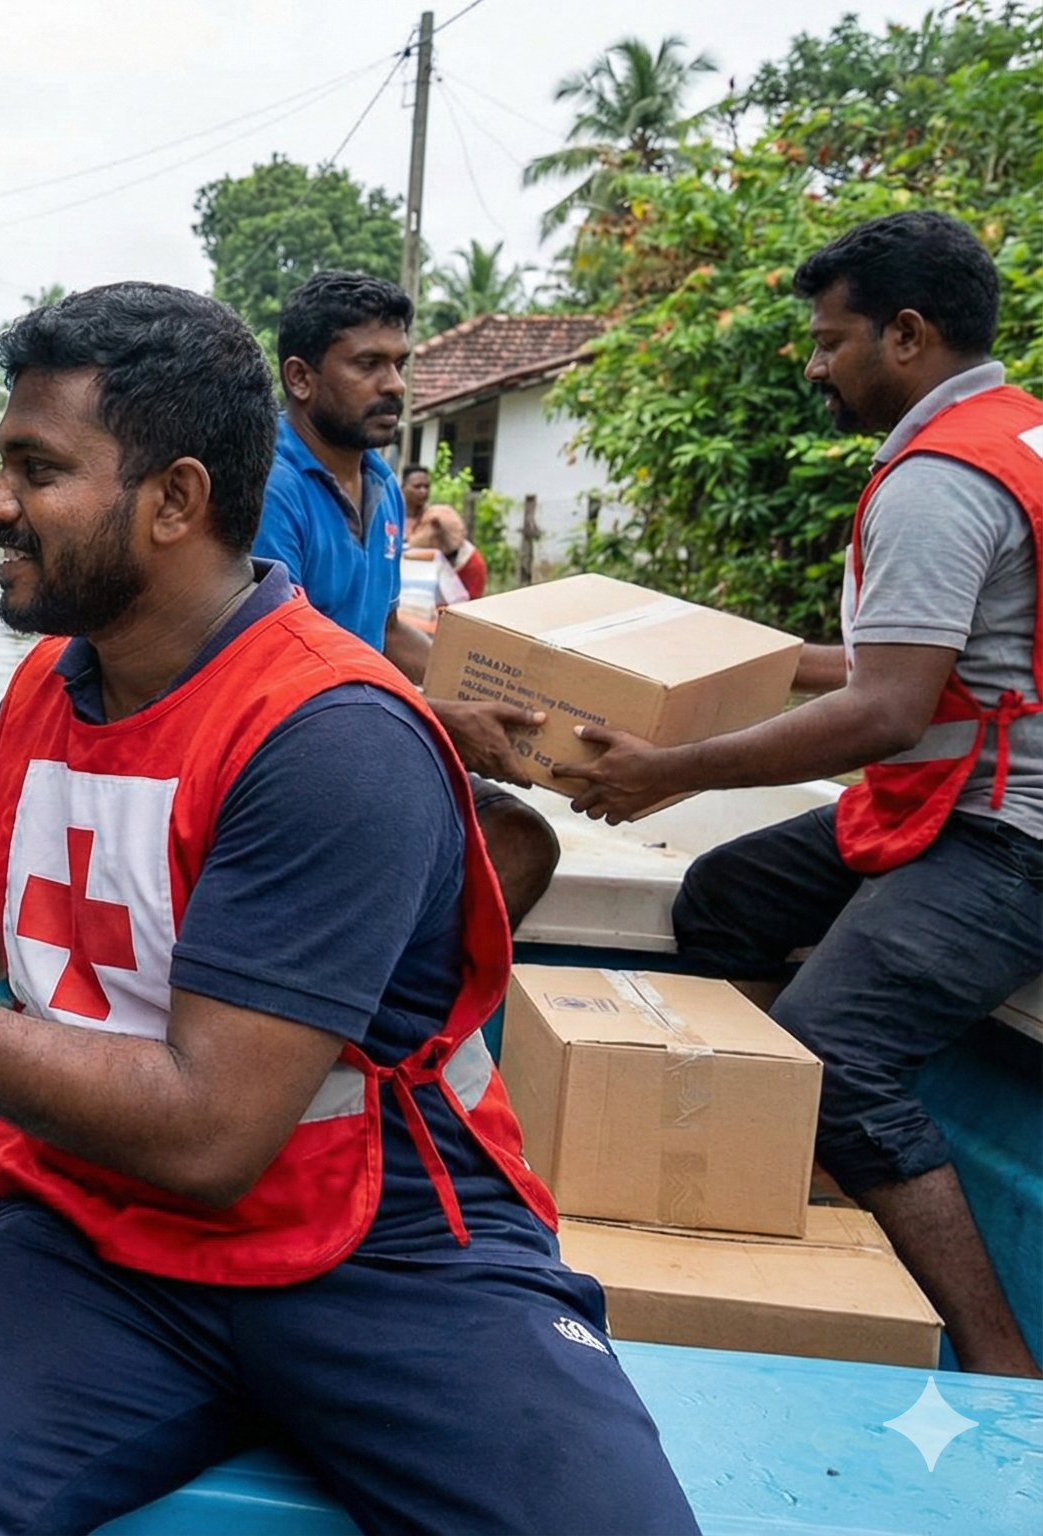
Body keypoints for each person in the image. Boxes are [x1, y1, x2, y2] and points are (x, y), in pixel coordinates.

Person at [0, 283, 697, 1535]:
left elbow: (209, 1131)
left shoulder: (327, 737)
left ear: (174, 500)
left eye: (35, 470)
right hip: (106, 1232)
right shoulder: (51, 683)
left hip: (388, 1249)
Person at [560, 210, 1043, 1377]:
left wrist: (665, 772)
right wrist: (713, 660)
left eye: (831, 343)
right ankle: (749, 1173)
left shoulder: (938, 479)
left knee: (829, 1055)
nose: (817, 367)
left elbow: (882, 709)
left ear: (908, 335)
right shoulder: (1015, 428)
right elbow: (903, 665)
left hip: (1000, 835)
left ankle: (998, 1361)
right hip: (947, 799)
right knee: (726, 897)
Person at [256, 271, 559, 922]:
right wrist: (441, 718)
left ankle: (406, 1008)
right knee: (434, 837)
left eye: (399, 363)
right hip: (290, 742)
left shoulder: (382, 485)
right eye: (368, 364)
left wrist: (503, 693)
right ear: (301, 378)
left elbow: (387, 632)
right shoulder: (269, 487)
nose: (394, 384)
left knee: (523, 841)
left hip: (368, 732)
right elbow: (277, 664)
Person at [401, 463, 486, 602]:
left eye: (426, 486)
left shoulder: (439, 514)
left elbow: (455, 541)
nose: (423, 491)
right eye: (417, 487)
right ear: (403, 488)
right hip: (427, 577)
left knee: (464, 615)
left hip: (465, 568)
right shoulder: (395, 516)